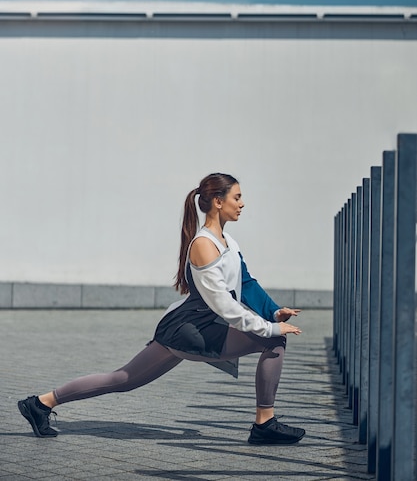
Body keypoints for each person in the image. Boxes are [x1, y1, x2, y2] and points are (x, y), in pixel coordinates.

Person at [18, 173, 305, 445]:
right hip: (192, 330)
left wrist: (273, 311)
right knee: (273, 340)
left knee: (124, 379)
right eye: (237, 197)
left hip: (191, 326)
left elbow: (245, 281)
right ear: (218, 201)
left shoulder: (227, 241)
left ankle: (40, 403)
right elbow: (224, 304)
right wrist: (269, 327)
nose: (242, 204)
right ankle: (264, 425)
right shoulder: (203, 245)